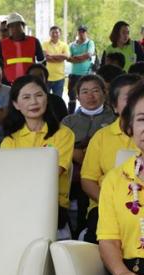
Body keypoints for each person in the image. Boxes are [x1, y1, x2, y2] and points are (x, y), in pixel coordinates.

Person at [83, 80, 144, 275]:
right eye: (142, 119)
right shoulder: (116, 180)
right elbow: (107, 238)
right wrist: (120, 273)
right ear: (130, 127)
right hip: (128, 269)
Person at [1, 75, 74, 230]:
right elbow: (8, 177)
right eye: (26, 97)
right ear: (16, 104)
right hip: (18, 202)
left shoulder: (64, 134)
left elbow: (54, 172)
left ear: (47, 98)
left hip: (52, 204)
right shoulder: (10, 140)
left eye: (39, 95)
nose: (34, 102)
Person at [80, 73, 141, 243]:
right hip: (104, 205)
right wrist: (111, 203)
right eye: (129, 99)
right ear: (114, 106)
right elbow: (88, 180)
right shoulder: (102, 137)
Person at [62, 75, 115, 235]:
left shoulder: (114, 120)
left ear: (104, 93)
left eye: (95, 91)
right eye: (84, 92)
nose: (90, 96)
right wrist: (74, 152)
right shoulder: (68, 121)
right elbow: (58, 146)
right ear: (77, 96)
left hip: (102, 177)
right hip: (73, 176)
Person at [0, 12, 45, 86]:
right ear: (8, 29)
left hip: (30, 82)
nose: (15, 28)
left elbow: (41, 62)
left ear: (23, 26)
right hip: (8, 84)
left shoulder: (34, 41)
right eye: (11, 26)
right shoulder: (2, 44)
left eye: (18, 25)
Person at [67, 25, 96, 114]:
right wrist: (81, 58)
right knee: (71, 95)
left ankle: (86, 113)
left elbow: (89, 54)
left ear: (86, 33)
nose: (81, 33)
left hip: (86, 74)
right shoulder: (72, 45)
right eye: (80, 31)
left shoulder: (90, 43)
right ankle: (71, 115)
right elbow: (68, 58)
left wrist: (76, 58)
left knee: (85, 95)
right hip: (74, 74)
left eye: (83, 31)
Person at [42, 26, 70, 98]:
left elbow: (66, 56)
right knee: (46, 99)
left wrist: (51, 55)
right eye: (53, 32)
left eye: (57, 32)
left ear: (60, 34)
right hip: (47, 77)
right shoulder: (45, 44)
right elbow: (47, 58)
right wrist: (60, 58)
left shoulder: (64, 45)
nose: (55, 34)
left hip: (60, 78)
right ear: (49, 34)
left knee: (58, 100)